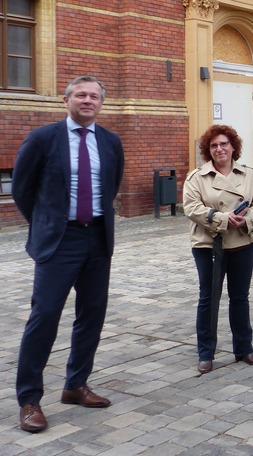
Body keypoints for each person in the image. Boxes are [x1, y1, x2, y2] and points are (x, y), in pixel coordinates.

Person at [11, 76, 125, 433]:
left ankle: (76, 385)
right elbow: (21, 189)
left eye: (94, 96)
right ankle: (29, 399)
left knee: (91, 315)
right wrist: (46, 224)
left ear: (101, 103)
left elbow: (112, 184)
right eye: (81, 95)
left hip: (97, 241)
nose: (87, 100)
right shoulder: (43, 139)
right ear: (67, 100)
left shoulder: (110, 142)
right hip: (59, 242)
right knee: (44, 317)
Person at [183, 125, 253, 374]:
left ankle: (244, 348)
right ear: (208, 151)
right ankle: (205, 353)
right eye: (213, 145)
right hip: (209, 245)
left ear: (233, 146)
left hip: (242, 242)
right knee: (208, 298)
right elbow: (191, 208)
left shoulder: (249, 175)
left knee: (240, 298)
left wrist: (248, 218)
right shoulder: (197, 178)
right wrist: (222, 218)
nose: (219, 149)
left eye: (224, 144)